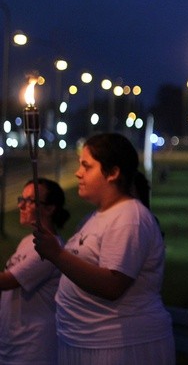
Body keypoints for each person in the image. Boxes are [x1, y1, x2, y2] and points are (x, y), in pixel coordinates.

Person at [34, 133, 175, 365]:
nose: (78, 173)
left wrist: (57, 255)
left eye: (86, 166)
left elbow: (113, 284)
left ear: (112, 173)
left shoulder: (129, 217)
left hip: (119, 347)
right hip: (88, 343)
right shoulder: (99, 215)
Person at [0, 178, 70, 365]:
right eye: (21, 199)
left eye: (29, 201)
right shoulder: (27, 241)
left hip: (33, 349)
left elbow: (7, 281)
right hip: (11, 344)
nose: (21, 205)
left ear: (49, 208)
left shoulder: (49, 249)